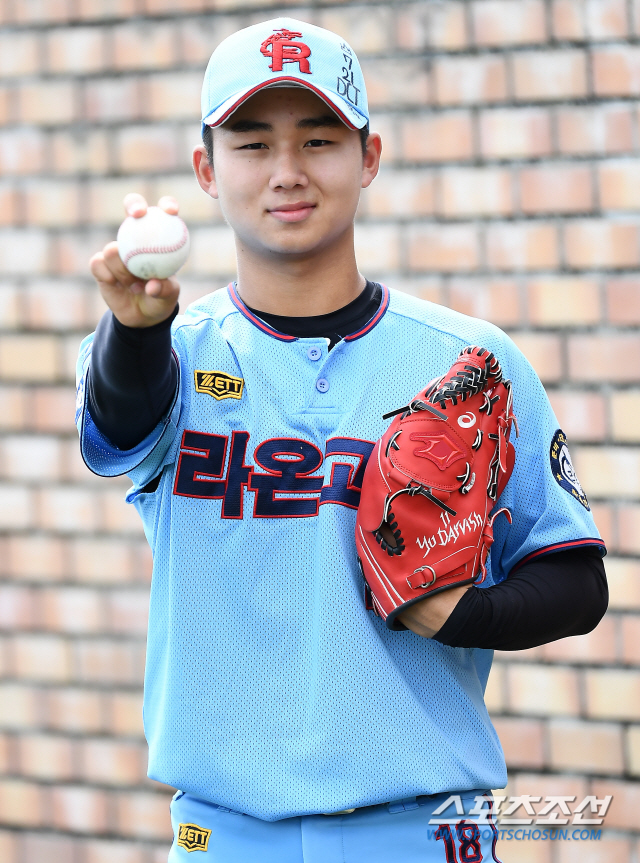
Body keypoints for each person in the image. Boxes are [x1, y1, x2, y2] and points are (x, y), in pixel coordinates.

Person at [76, 17, 608, 862]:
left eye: (318, 138)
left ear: (368, 157)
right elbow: (124, 419)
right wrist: (135, 330)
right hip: (222, 836)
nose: (287, 171)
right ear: (207, 171)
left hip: (426, 832)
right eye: (253, 143)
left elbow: (577, 579)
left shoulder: (470, 363)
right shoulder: (170, 353)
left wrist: (469, 614)